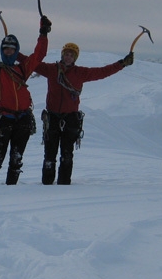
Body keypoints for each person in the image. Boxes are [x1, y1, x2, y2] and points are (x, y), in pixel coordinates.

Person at [32, 42, 134, 185]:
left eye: (71, 55)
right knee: (50, 156)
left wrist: (121, 64)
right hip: (53, 117)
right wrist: (11, 51)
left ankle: (63, 185)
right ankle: (47, 185)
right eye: (66, 54)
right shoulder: (51, 69)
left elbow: (102, 72)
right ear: (62, 55)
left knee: (66, 155)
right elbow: (30, 63)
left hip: (70, 118)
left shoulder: (80, 73)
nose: (68, 57)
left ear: (75, 58)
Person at [0, 13, 50, 185]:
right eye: (6, 49)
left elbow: (39, 55)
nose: (9, 51)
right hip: (5, 119)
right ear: (2, 51)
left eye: (12, 49)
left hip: (22, 119)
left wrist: (43, 34)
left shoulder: (22, 69)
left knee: (16, 160)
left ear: (16, 52)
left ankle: (11, 193)